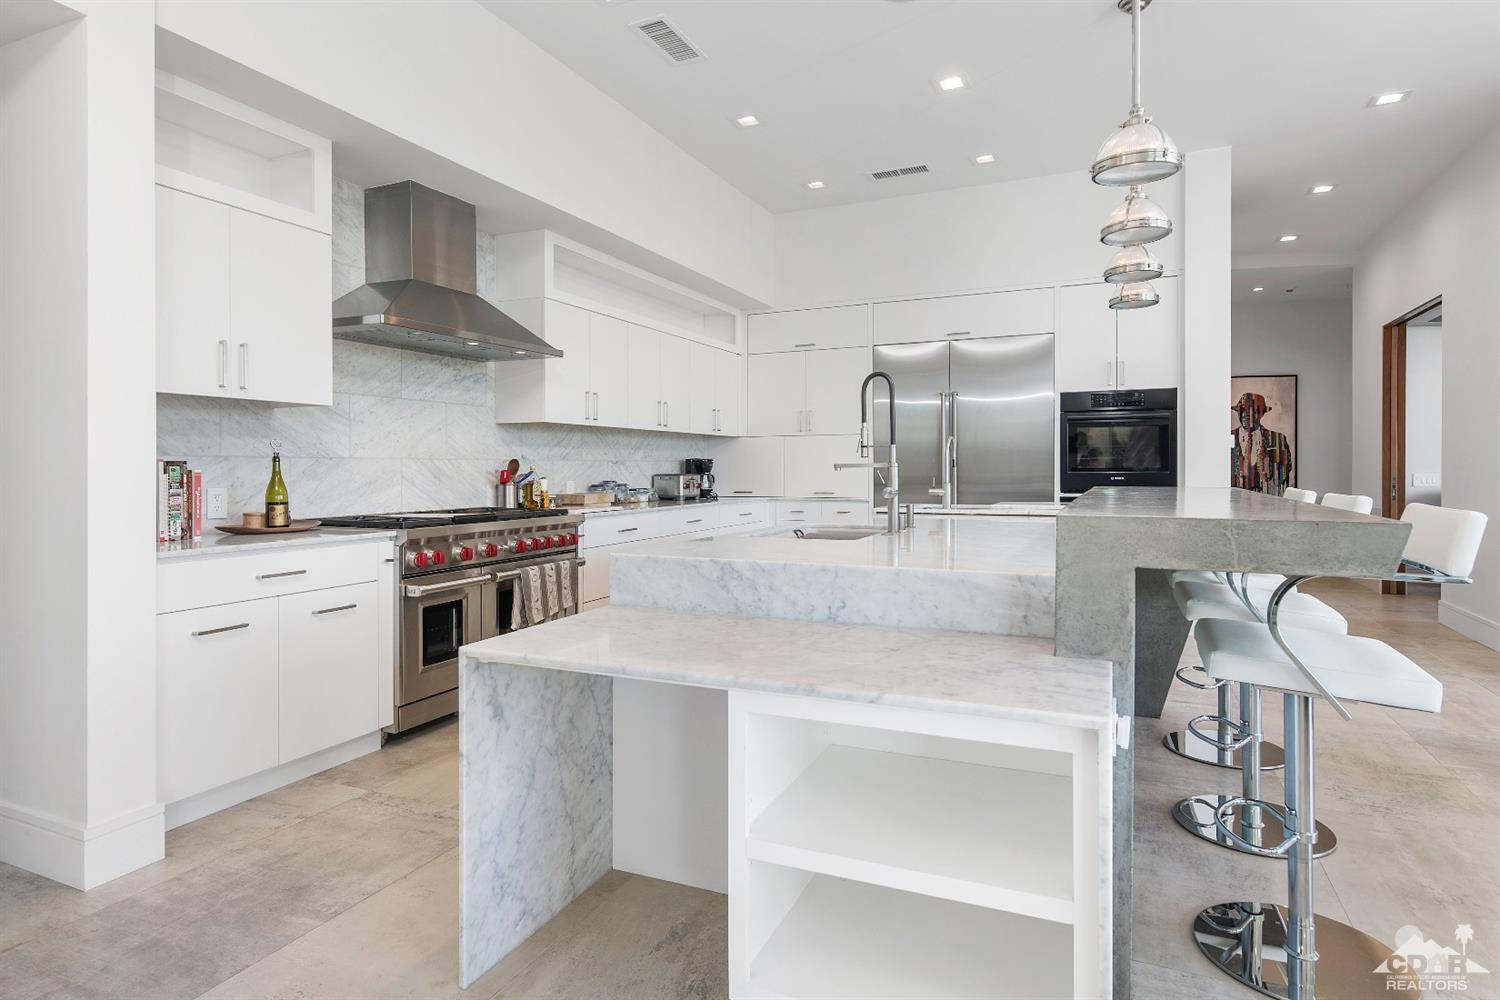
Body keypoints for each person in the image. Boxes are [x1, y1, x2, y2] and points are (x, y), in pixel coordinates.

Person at [1230, 391, 1294, 494]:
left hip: (1267, 501)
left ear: (1262, 413)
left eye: (1253, 411)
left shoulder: (1278, 439)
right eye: (1242, 410)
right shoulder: (1226, 438)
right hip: (1234, 501)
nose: (1246, 414)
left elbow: (1284, 473)